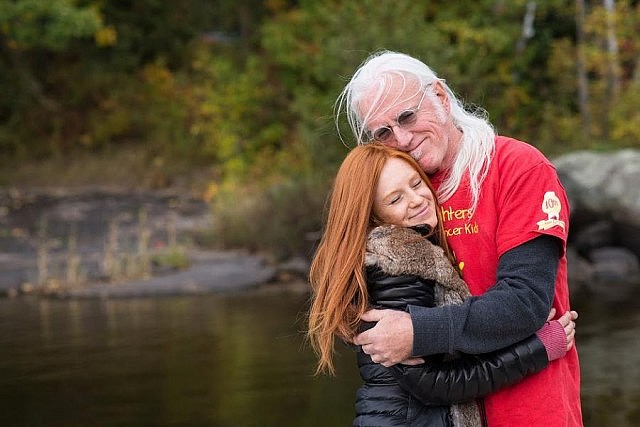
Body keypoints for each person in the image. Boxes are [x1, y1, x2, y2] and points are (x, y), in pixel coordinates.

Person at [334, 50, 582, 426]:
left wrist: (416, 332)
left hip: (530, 409)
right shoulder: (400, 194)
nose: (401, 138)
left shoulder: (517, 167)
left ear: (440, 96)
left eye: (407, 116)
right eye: (383, 132)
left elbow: (526, 302)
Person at [308, 143, 577, 426]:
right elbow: (433, 384)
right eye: (395, 199)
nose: (415, 199)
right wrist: (537, 349)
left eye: (416, 183)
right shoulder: (396, 266)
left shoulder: (407, 252)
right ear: (374, 216)